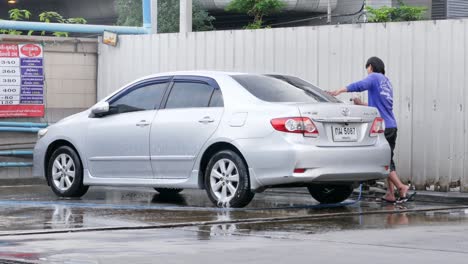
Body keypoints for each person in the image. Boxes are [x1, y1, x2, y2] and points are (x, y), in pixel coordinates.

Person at [328, 57, 415, 203]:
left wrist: (339, 91)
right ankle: (390, 194)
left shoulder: (374, 77)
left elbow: (360, 85)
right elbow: (379, 105)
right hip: (391, 125)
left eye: (367, 68)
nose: (367, 71)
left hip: (383, 127)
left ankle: (401, 187)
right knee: (388, 159)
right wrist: (361, 103)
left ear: (371, 66)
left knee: (385, 161)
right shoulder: (387, 82)